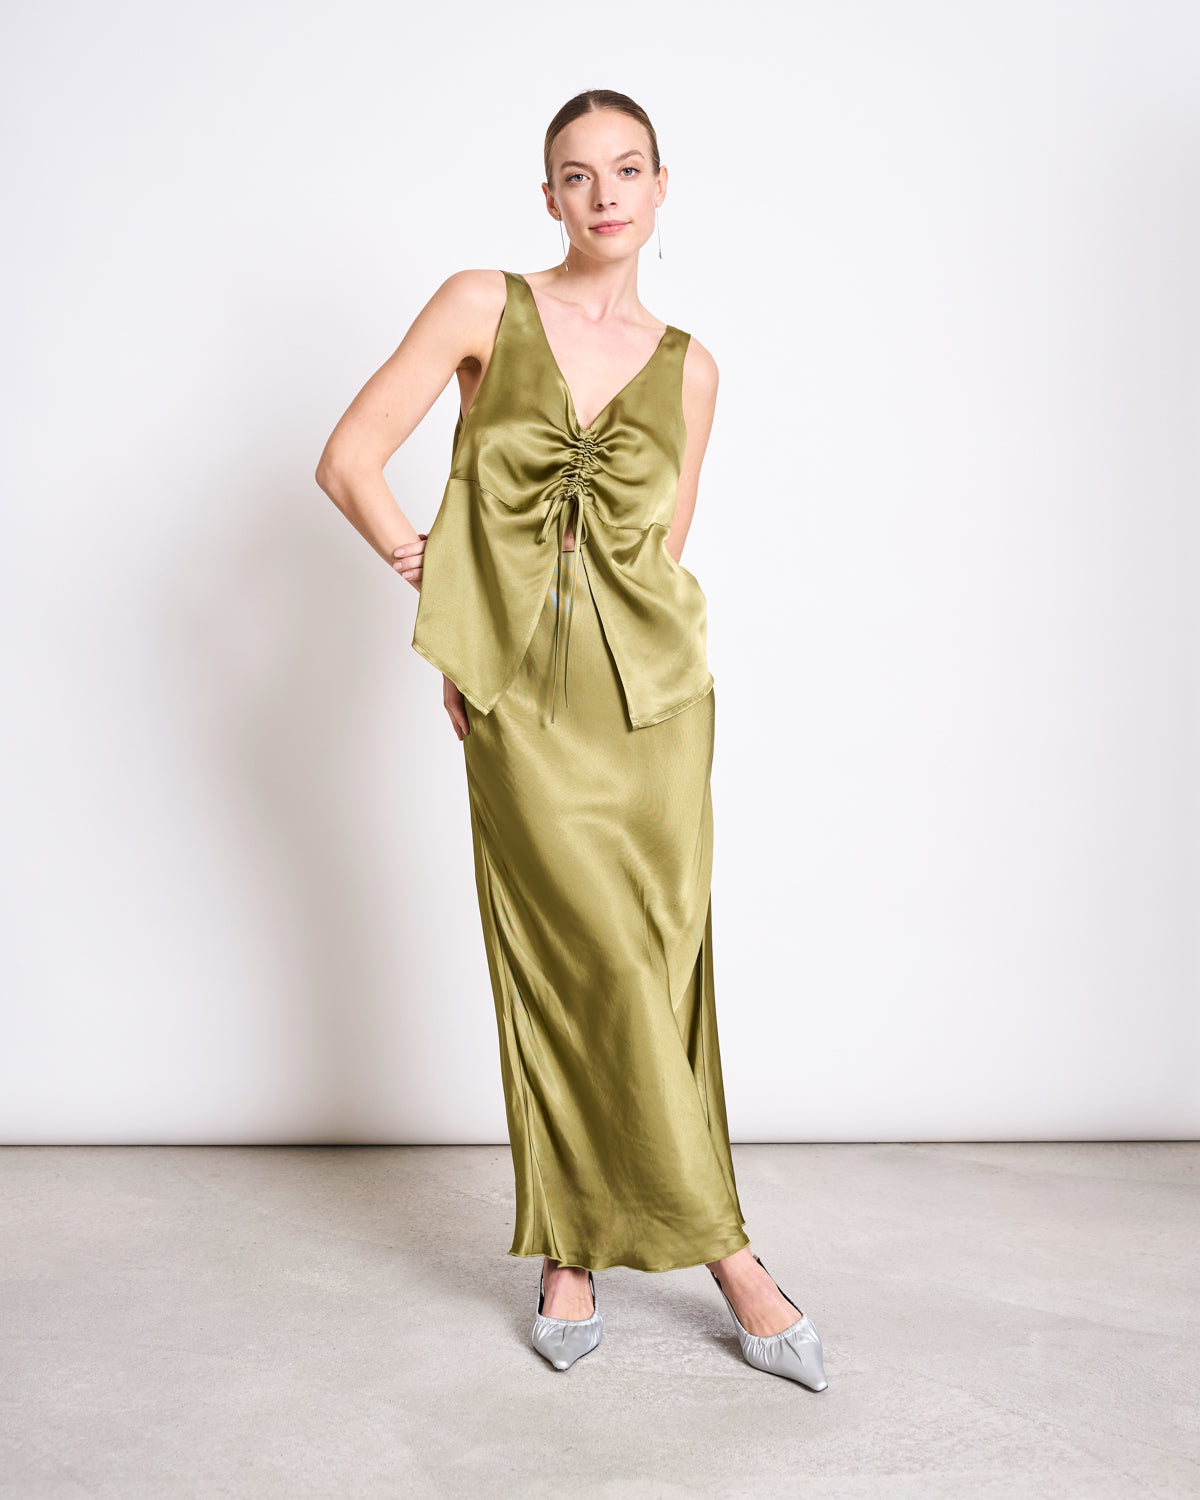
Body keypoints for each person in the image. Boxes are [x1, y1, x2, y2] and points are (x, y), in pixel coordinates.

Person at [315, 89, 828, 1391]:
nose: (604, 193)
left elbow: (659, 552)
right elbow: (350, 460)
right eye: (576, 174)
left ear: (663, 189)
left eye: (627, 169)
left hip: (659, 711)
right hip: (522, 709)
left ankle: (573, 1250)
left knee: (660, 969)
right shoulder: (481, 305)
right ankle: (731, 1259)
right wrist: (455, 605)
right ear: (546, 197)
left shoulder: (694, 366)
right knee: (566, 963)